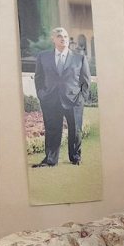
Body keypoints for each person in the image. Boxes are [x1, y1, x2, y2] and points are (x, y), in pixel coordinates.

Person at [33, 27, 91, 168]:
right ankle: (50, 159)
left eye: (65, 36)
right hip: (50, 100)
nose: (63, 38)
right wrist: (41, 94)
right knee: (52, 129)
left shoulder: (79, 58)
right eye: (59, 36)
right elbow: (39, 78)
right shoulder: (43, 57)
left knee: (75, 130)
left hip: (74, 100)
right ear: (53, 39)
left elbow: (85, 81)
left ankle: (75, 157)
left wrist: (81, 98)